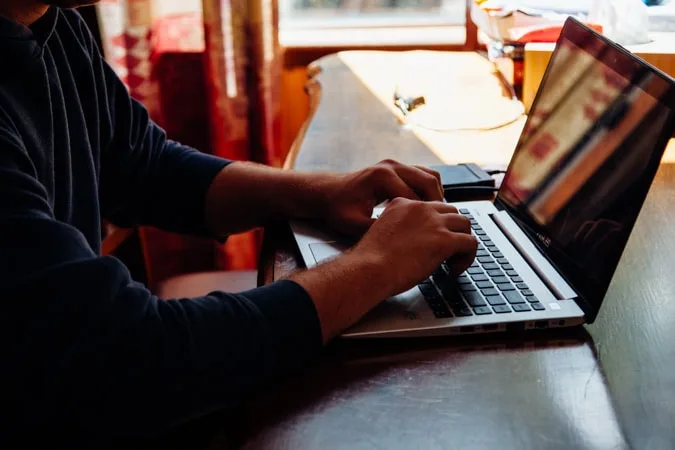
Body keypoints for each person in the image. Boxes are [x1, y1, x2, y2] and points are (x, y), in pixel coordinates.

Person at [0, 0, 477, 440]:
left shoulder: (51, 24)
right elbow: (133, 358)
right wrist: (376, 266)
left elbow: (145, 167)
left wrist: (323, 191)